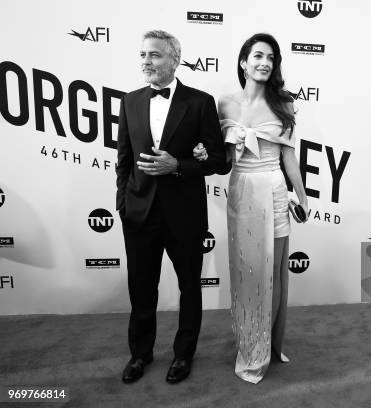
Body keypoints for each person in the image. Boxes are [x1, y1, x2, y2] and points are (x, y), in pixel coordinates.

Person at [193, 33, 308, 384]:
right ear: (243, 62)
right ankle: (249, 345)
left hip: (273, 190)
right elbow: (225, 159)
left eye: (271, 57)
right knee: (247, 274)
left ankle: (269, 344)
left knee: (272, 274)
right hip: (241, 191)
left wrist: (302, 197)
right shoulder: (224, 103)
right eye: (258, 55)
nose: (265, 62)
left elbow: (289, 157)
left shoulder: (283, 102)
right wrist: (205, 156)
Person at [116, 30, 229, 384]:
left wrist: (177, 165)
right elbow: (123, 160)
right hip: (138, 211)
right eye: (143, 55)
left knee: (189, 287)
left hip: (184, 213)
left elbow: (217, 160)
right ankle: (140, 353)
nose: (146, 61)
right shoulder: (130, 101)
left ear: (175, 60)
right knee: (141, 287)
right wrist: (123, 202)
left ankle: (183, 354)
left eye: (155, 55)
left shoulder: (200, 102)